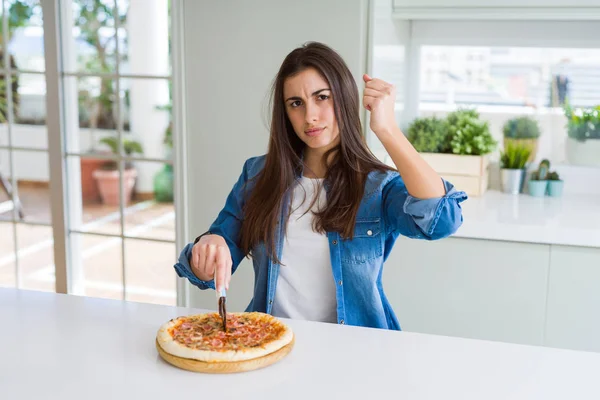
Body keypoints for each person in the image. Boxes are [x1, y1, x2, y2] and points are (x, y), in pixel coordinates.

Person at [174, 42, 467, 330]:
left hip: (357, 352)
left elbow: (441, 220)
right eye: (296, 103)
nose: (310, 116)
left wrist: (387, 129)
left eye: (322, 97)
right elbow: (206, 265)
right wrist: (210, 246)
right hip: (271, 343)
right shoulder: (258, 174)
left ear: (344, 97)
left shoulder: (378, 186)